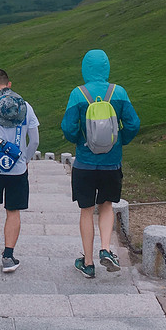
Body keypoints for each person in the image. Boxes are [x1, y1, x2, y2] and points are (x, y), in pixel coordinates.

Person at [60, 49, 140, 278]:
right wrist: (120, 141)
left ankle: (87, 262)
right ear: (106, 67)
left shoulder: (78, 94)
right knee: (105, 205)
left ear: (85, 69)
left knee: (86, 211)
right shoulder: (119, 92)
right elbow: (133, 123)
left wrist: (79, 140)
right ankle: (105, 248)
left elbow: (67, 128)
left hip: (84, 163)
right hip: (111, 163)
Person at [0, 68, 39, 272]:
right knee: (13, 211)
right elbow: (35, 140)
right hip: (17, 169)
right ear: (9, 84)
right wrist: (25, 160)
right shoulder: (26, 107)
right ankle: (8, 257)